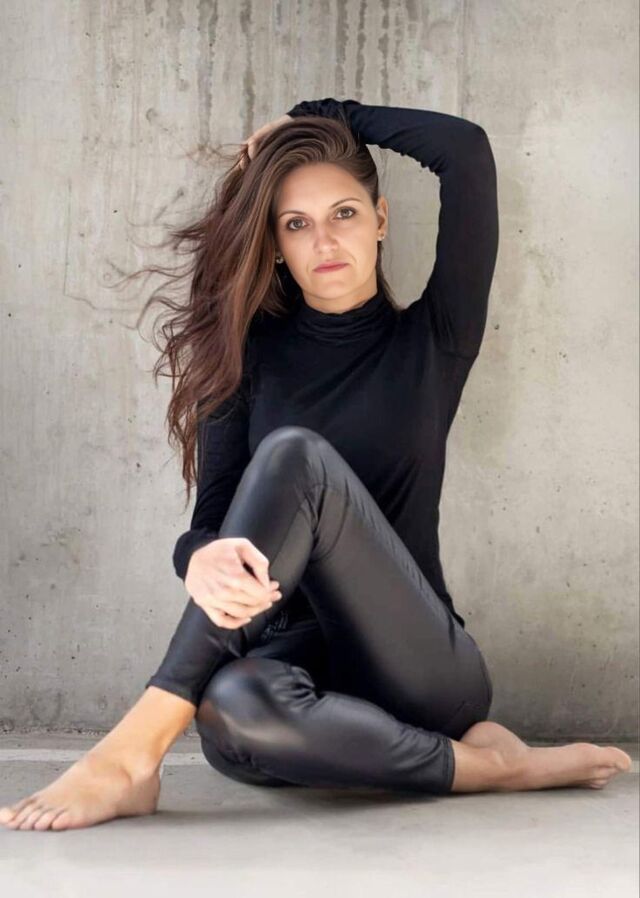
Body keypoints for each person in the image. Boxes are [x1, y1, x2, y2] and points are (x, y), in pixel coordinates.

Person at [0, 98, 631, 832]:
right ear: (274, 243)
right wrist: (196, 558)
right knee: (231, 712)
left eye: (344, 214)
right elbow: (213, 521)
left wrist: (320, 114)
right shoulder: (246, 359)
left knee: (296, 455)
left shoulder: (436, 338)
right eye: (296, 224)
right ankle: (489, 766)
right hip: (294, 661)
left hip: (422, 668)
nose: (324, 241)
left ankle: (131, 754)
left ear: (381, 220)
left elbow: (464, 149)